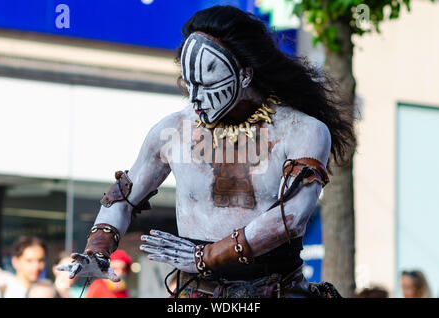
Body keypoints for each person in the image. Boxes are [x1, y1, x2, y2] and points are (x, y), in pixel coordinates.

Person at [58, 5, 355, 298]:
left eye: (207, 85)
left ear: (246, 74)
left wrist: (205, 256)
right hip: (194, 295)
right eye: (190, 86)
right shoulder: (172, 131)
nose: (196, 99)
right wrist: (98, 249)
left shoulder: (302, 129)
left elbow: (291, 217)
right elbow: (123, 196)